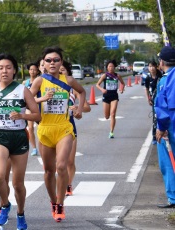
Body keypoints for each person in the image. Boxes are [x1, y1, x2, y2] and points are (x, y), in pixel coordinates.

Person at [0, 53, 41, 229]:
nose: (4, 71)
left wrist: (21, 115)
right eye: (1, 68)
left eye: (8, 67)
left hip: (18, 136)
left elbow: (37, 115)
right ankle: (5, 204)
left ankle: (21, 214)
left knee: (18, 183)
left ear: (14, 70)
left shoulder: (23, 90)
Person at [30, 46, 85, 222]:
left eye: (56, 60)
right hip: (45, 128)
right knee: (48, 171)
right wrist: (42, 99)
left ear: (61, 62)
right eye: (48, 60)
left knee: (62, 166)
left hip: (64, 127)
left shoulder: (68, 80)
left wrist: (79, 108)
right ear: (43, 63)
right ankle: (53, 201)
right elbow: (28, 101)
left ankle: (61, 203)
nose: (52, 63)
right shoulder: (38, 81)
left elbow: (82, 92)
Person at [59, 61, 91, 196]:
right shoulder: (49, 88)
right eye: (59, 71)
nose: (60, 73)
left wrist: (77, 108)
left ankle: (68, 185)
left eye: (63, 70)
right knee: (59, 162)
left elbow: (87, 108)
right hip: (54, 127)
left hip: (70, 126)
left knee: (70, 161)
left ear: (68, 73)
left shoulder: (73, 90)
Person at [155, 46, 175, 208]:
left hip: (170, 126)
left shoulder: (165, 80)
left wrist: (161, 128)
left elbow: (163, 107)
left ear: (161, 62)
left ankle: (173, 197)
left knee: (167, 162)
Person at [96, 60, 125, 138]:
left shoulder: (117, 76)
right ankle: (109, 123)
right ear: (107, 68)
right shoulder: (105, 75)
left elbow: (122, 83)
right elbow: (97, 85)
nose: (111, 68)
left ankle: (111, 132)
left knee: (113, 114)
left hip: (114, 96)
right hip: (106, 96)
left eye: (112, 66)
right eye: (109, 66)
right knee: (106, 116)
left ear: (114, 67)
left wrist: (121, 89)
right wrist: (102, 89)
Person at [22, 62, 40, 156]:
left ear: (37, 71)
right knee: (30, 127)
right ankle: (34, 148)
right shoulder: (25, 82)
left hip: (38, 107)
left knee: (41, 127)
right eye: (31, 69)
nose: (32, 71)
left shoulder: (40, 81)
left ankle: (44, 145)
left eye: (34, 69)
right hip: (29, 107)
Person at [145, 61, 163, 145]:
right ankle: (154, 136)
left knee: (160, 117)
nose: (151, 68)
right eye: (150, 66)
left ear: (156, 67)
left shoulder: (161, 76)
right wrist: (148, 98)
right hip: (153, 100)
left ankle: (162, 132)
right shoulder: (148, 77)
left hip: (161, 100)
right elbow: (146, 88)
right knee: (155, 119)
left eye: (153, 66)